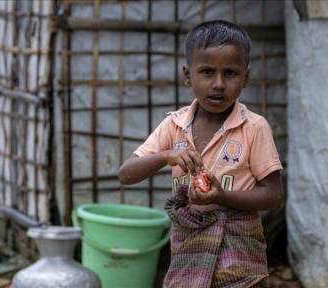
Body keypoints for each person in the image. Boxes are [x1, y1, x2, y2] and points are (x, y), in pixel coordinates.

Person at [118, 19, 284, 288]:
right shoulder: (174, 125)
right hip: (188, 246)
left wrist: (222, 197)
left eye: (230, 73)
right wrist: (165, 156)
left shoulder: (254, 127)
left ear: (246, 77)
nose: (218, 84)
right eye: (207, 72)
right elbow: (126, 174)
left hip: (239, 251)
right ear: (188, 75)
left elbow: (274, 196)